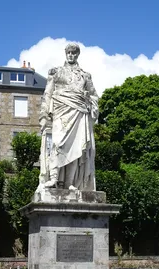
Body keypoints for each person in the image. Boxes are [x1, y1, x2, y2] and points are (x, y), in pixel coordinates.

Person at [37, 43, 99, 191]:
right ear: (65, 54)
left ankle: (70, 182)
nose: (71, 55)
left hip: (79, 111)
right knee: (57, 144)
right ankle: (53, 179)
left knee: (77, 149)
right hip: (61, 110)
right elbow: (48, 94)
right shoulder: (56, 72)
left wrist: (90, 103)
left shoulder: (85, 75)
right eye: (69, 52)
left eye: (74, 53)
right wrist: (44, 114)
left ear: (78, 55)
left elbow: (94, 96)